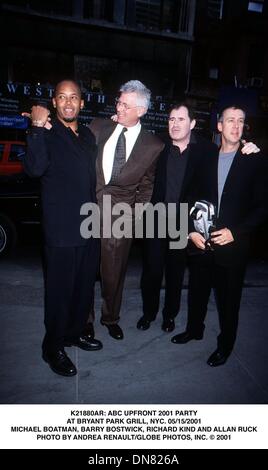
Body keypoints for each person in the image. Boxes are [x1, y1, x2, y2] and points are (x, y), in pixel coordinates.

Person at [137, 103, 259, 333]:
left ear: (192, 124)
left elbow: (230, 151)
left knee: (175, 273)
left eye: (181, 119)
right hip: (156, 218)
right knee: (152, 271)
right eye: (172, 119)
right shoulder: (157, 144)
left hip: (184, 222)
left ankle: (169, 316)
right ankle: (149, 313)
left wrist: (248, 146)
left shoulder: (205, 150)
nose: (175, 124)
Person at [171, 105, 267, 367]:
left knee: (228, 301)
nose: (236, 126)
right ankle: (194, 330)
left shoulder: (254, 159)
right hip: (202, 243)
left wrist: (236, 232)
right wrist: (190, 229)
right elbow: (190, 197)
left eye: (241, 121)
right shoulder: (206, 157)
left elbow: (263, 207)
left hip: (232, 246)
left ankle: (225, 346)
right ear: (220, 126)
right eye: (230, 121)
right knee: (197, 292)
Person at [23, 80, 102, 377]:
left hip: (88, 225)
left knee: (83, 290)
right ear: (54, 102)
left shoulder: (88, 136)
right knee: (59, 293)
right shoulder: (45, 131)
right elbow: (34, 169)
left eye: (74, 98)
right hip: (60, 229)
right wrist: (35, 128)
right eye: (62, 97)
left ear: (82, 103)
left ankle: (74, 334)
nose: (68, 103)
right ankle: (52, 346)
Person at [87, 80, 164, 340]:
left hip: (121, 218)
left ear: (141, 111)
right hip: (87, 210)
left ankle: (110, 318)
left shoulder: (154, 146)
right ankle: (85, 320)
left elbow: (146, 186)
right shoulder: (98, 126)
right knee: (85, 270)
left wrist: (134, 217)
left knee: (114, 274)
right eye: (118, 102)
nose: (118, 107)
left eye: (125, 105)